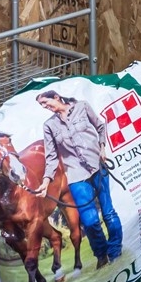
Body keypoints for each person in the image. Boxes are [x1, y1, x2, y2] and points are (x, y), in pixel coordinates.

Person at [36, 90, 123, 268]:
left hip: (98, 167)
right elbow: (51, 157)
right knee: (89, 221)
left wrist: (102, 148)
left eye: (46, 102)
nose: (45, 107)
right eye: (42, 105)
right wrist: (46, 181)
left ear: (57, 98)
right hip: (76, 176)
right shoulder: (49, 126)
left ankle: (115, 251)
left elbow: (100, 126)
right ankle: (101, 254)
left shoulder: (82, 106)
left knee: (108, 213)